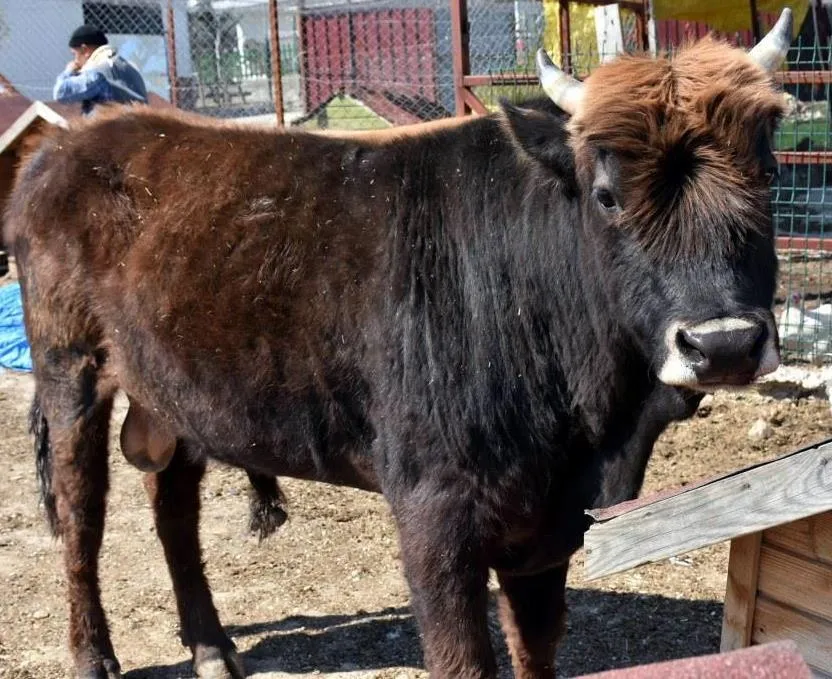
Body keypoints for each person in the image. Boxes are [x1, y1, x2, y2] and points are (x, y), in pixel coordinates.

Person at [53, 24, 148, 116]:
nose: (75, 60)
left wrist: (69, 71)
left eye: (74, 54)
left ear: (84, 50)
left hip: (113, 129)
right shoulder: (130, 69)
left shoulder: (98, 72)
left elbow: (60, 92)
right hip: (139, 127)